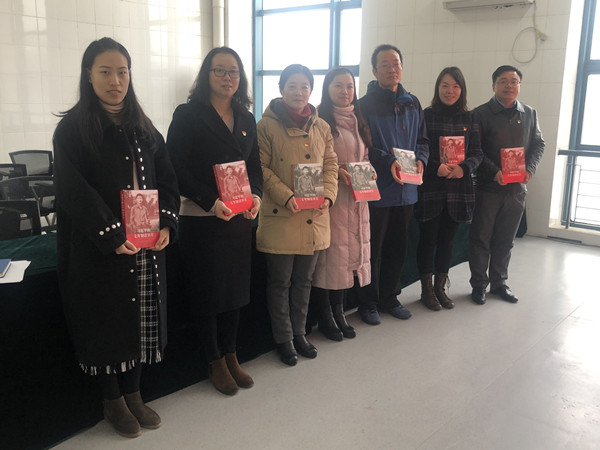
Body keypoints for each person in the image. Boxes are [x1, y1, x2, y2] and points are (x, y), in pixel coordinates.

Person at [53, 37, 180, 439]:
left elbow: (168, 180)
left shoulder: (144, 127)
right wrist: (110, 233)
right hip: (101, 250)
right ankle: (112, 400)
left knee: (140, 320)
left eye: (122, 72)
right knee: (106, 323)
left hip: (145, 246)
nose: (115, 81)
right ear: (88, 75)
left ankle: (134, 393)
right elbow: (73, 191)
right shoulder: (72, 129)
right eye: (105, 72)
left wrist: (167, 224)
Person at [167, 47, 262, 395]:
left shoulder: (246, 118)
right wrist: (211, 201)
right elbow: (174, 166)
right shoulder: (188, 114)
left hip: (237, 219)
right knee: (207, 293)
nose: (227, 77)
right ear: (206, 75)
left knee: (234, 292)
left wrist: (256, 197)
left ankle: (232, 353)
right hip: (201, 218)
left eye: (233, 71)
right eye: (219, 70)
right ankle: (214, 360)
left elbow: (254, 167)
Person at [256, 64, 338, 365]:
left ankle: (300, 333)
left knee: (304, 281)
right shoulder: (265, 126)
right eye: (292, 85)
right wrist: (286, 195)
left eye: (304, 86)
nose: (299, 92)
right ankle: (284, 338)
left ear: (311, 91)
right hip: (282, 214)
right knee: (280, 282)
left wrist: (328, 195)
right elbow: (260, 169)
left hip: (314, 215)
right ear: (281, 89)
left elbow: (331, 164)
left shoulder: (322, 127)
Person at [358, 44, 429, 325]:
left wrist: (422, 159)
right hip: (378, 190)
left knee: (398, 248)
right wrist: (388, 161)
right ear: (374, 70)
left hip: (407, 191)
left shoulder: (413, 102)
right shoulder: (364, 105)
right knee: (373, 250)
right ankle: (368, 302)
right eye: (385, 65)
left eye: (396, 63)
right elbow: (364, 147)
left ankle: (390, 297)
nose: (392, 69)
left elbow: (422, 140)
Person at [469, 65, 545, 305]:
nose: (509, 85)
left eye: (514, 81)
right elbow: (475, 149)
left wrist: (530, 169)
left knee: (505, 240)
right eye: (503, 81)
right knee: (481, 239)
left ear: (519, 85)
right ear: (494, 85)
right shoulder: (480, 114)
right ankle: (479, 285)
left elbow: (539, 144)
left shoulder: (529, 113)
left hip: (516, 190)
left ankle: (499, 283)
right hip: (488, 188)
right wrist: (495, 172)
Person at [309, 67, 374, 341]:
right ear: (327, 88)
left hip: (357, 199)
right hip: (333, 200)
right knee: (330, 259)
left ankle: (339, 311)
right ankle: (325, 314)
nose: (345, 91)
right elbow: (314, 160)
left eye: (349, 86)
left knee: (348, 258)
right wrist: (337, 173)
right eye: (338, 85)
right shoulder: (318, 119)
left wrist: (369, 170)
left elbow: (364, 155)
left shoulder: (358, 118)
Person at [416, 66, 483, 311]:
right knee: (428, 241)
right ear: (437, 88)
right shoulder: (426, 115)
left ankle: (440, 288)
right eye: (445, 85)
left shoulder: (470, 118)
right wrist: (435, 167)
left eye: (455, 86)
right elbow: (418, 149)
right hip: (431, 188)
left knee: (447, 242)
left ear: (462, 90)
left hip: (458, 190)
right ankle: (426, 291)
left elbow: (478, 153)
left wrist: (464, 168)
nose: (450, 91)